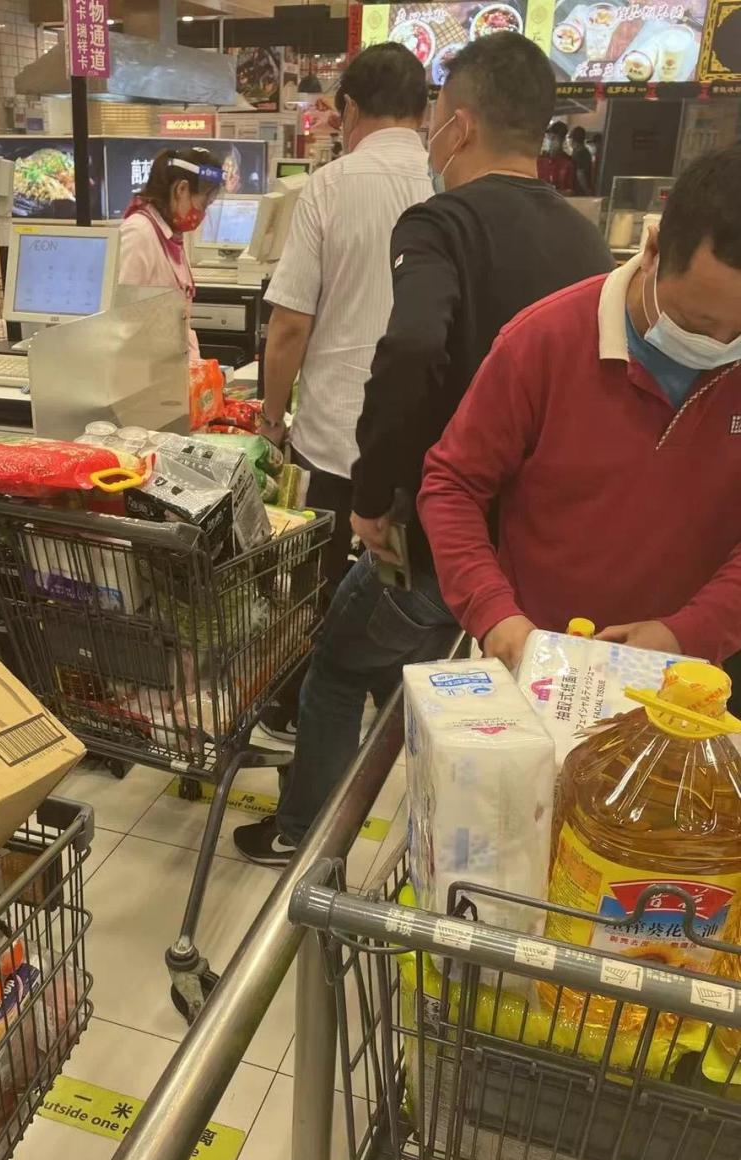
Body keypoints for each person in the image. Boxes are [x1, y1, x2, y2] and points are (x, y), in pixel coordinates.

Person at [234, 32, 613, 866]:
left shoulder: (443, 222)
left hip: (440, 533)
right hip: (531, 548)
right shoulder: (586, 244)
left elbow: (408, 350)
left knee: (337, 664)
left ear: (460, 125)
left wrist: (375, 497)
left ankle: (305, 839)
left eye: (440, 117)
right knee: (424, 669)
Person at [418, 144, 741, 674]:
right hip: (542, 661)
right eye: (699, 324)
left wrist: (688, 632)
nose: (721, 344)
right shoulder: (542, 342)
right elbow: (452, 485)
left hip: (688, 673)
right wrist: (495, 613)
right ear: (653, 249)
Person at [256, 42, 433, 738]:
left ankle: (300, 713)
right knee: (400, 584)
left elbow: (289, 326)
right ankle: (396, 716)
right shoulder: (448, 182)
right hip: (418, 443)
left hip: (329, 438)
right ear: (424, 111)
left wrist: (273, 419)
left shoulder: (328, 186)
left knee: (313, 584)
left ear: (351, 108)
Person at [117, 147, 223, 361]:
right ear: (181, 189)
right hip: (143, 368)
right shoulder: (139, 233)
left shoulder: (171, 234)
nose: (202, 214)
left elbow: (180, 323)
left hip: (170, 367)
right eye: (204, 203)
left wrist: (197, 365)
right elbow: (120, 320)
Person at [537, 119, 575, 193]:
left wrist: (556, 192)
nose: (551, 141)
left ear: (562, 140)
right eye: (549, 137)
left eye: (554, 138)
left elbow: (570, 190)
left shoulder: (568, 163)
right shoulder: (540, 160)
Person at [569, 124, 594, 195]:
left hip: (580, 190)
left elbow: (580, 173)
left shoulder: (581, 154)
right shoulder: (580, 152)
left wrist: (587, 190)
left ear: (573, 140)